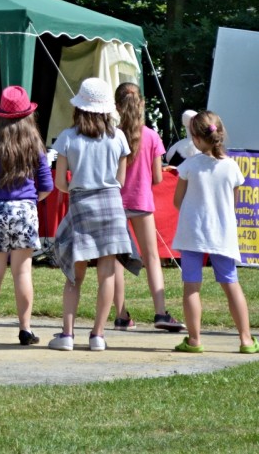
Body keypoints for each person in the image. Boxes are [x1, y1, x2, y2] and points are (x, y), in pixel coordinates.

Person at [48, 77, 141, 351]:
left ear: (79, 106)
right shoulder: (118, 137)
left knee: (74, 276)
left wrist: (78, 186)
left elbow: (60, 183)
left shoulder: (68, 137)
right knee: (107, 275)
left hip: (81, 204)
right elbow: (120, 180)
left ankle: (67, 335)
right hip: (112, 206)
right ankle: (98, 335)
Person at [172, 110, 259, 354]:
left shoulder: (189, 165)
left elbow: (177, 201)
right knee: (231, 284)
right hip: (223, 234)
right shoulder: (232, 167)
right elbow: (232, 203)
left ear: (196, 139)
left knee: (192, 286)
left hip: (192, 233)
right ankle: (246, 340)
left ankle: (194, 340)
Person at [0, 86, 53, 345]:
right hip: (25, 210)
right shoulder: (34, 145)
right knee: (22, 273)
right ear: (28, 115)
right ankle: (25, 330)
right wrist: (29, 200)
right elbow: (46, 186)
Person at [111, 83, 184, 332]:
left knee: (116, 260)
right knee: (152, 258)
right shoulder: (151, 136)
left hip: (116, 203)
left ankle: (121, 315)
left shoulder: (112, 135)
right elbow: (158, 178)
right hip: (141, 201)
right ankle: (161, 312)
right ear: (141, 104)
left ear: (116, 106)